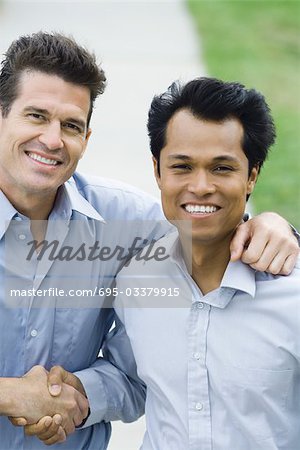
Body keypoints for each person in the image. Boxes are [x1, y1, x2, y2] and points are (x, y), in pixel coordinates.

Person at [0, 32, 298, 449]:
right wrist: (9, 393)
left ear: (87, 137)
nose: (53, 140)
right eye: (35, 115)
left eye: (71, 125)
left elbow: (204, 217)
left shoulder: (128, 222)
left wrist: (276, 226)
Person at [114, 77, 300, 450]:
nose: (200, 186)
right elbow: (131, 378)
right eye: (182, 166)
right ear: (157, 171)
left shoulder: (292, 296)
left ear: (252, 176)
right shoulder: (135, 281)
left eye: (221, 168)